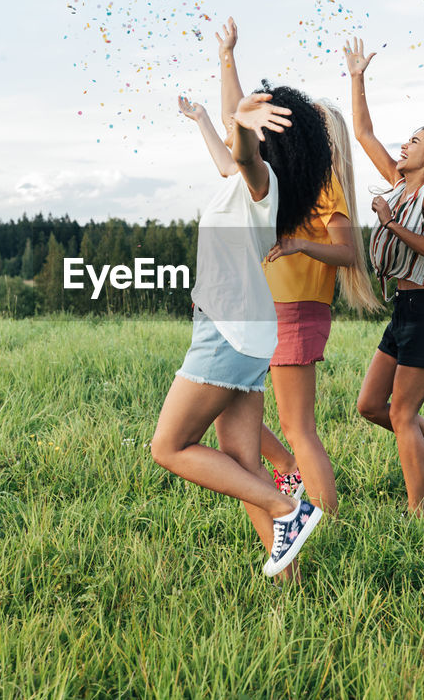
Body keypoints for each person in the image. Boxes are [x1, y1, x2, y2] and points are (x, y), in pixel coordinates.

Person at [153, 83, 332, 577]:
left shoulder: (263, 179)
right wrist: (207, 119)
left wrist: (241, 126)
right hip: (246, 331)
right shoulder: (246, 183)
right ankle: (291, 576)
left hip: (227, 331)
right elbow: (229, 161)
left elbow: (246, 158)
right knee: (243, 462)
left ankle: (288, 508)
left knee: (169, 447)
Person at [213, 18, 380, 517]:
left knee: (298, 428)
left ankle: (327, 520)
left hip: (296, 313)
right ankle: (287, 471)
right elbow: (237, 121)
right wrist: (227, 57)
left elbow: (349, 254)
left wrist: (296, 246)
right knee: (227, 407)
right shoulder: (278, 181)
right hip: (266, 312)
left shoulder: (324, 187)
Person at [343, 37, 424, 516]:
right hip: (405, 310)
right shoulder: (401, 184)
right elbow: (363, 133)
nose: (405, 145)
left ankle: (417, 512)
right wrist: (357, 77)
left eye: (414, 142)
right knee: (370, 406)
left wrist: (390, 223)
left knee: (401, 413)